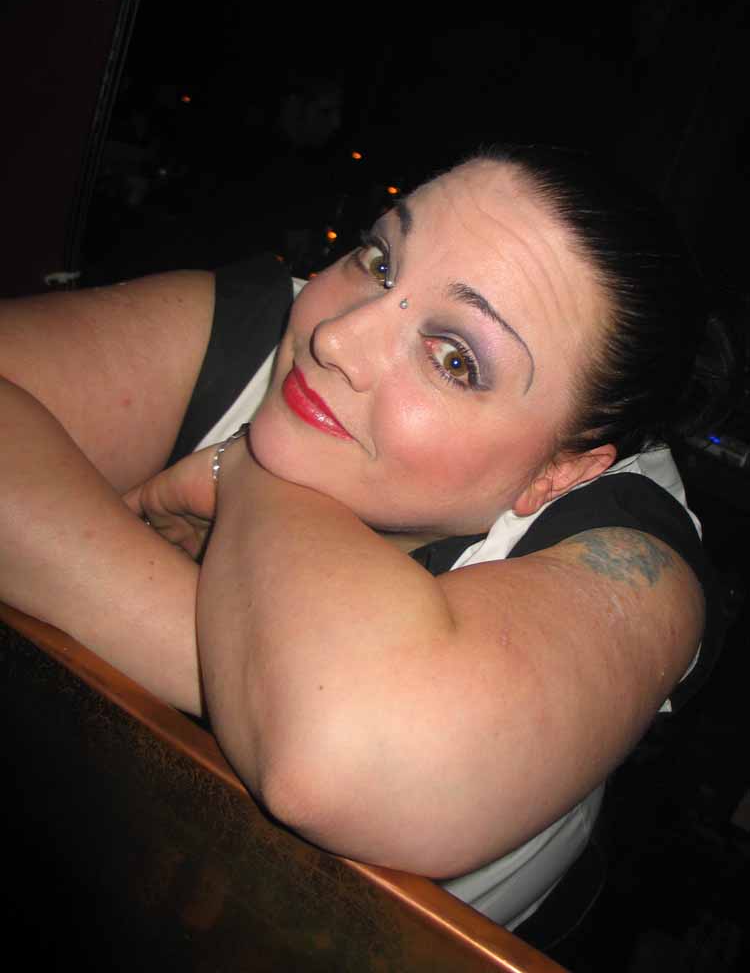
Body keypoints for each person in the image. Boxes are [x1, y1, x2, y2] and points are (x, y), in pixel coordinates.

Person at [0, 146, 720, 933]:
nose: (336, 337)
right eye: (380, 263)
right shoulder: (262, 323)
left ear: (560, 469)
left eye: (454, 359)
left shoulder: (637, 550)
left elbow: (339, 758)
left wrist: (251, 474)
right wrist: (230, 658)